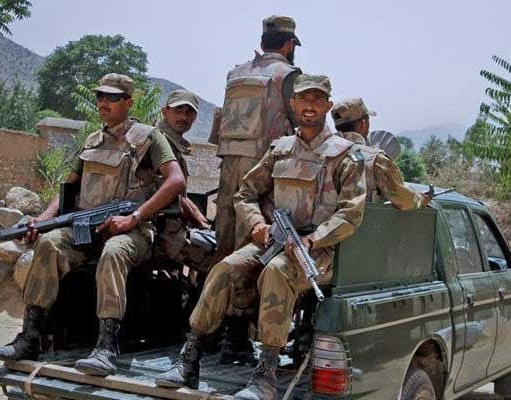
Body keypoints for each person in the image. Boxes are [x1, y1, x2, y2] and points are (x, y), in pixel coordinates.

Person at [155, 74, 367, 400]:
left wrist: (313, 240)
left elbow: (351, 212)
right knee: (226, 268)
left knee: (278, 272)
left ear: (326, 105)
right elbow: (245, 194)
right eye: (303, 99)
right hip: (273, 240)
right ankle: (190, 357)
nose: (309, 105)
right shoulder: (279, 150)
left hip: (320, 251)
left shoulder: (345, 155)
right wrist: (256, 224)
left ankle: (265, 376)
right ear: (293, 105)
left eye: (317, 99)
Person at [0, 73, 186, 377]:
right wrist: (42, 221)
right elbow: (67, 188)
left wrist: (134, 217)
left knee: (114, 252)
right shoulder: (93, 140)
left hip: (131, 230)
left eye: (112, 97)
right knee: (49, 243)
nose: (103, 102)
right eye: (100, 97)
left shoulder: (148, 137)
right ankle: (30, 335)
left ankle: (106, 346)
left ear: (129, 102)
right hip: (87, 225)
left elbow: (175, 181)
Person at [211, 14, 302, 263]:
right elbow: (302, 124)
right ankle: (241, 300)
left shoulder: (235, 74)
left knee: (224, 235)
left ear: (263, 44)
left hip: (228, 164)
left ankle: (213, 295)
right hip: (262, 169)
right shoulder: (289, 75)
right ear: (289, 44)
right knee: (253, 239)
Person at [156, 89, 215, 272]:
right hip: (161, 231)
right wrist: (203, 224)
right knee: (220, 262)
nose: (183, 117)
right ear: (165, 111)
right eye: (178, 111)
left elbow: (181, 195)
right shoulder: (158, 143)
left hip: (171, 227)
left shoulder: (172, 143)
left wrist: (204, 223)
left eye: (189, 112)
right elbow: (173, 195)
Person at [332, 97, 428, 209]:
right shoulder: (374, 160)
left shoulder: (318, 154)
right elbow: (405, 201)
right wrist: (421, 199)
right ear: (363, 123)